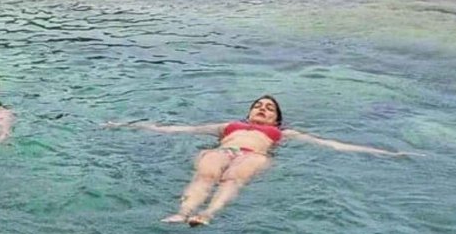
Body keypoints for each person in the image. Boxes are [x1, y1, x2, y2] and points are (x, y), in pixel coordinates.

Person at [107, 95, 403, 225]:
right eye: (258, 106)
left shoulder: (281, 133)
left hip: (254, 156)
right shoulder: (228, 126)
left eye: (269, 108)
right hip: (223, 150)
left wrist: (386, 153)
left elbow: (332, 145)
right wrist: (126, 125)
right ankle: (181, 213)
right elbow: (178, 129)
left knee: (232, 179)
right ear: (248, 112)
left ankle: (207, 214)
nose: (262, 109)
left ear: (276, 119)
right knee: (206, 175)